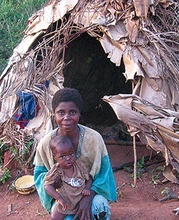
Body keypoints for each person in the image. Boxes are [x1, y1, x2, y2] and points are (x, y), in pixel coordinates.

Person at [34, 87, 117, 220]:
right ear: (54, 115)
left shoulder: (94, 139)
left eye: (72, 112)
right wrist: (60, 191)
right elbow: (40, 177)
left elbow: (104, 174)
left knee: (99, 206)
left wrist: (87, 198)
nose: (66, 117)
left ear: (79, 114)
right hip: (63, 198)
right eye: (61, 112)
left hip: (90, 193)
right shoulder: (45, 144)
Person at [44, 135, 92, 220]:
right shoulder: (56, 171)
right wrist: (59, 198)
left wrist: (87, 188)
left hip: (80, 201)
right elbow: (47, 186)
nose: (68, 158)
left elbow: (89, 178)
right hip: (66, 202)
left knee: (85, 216)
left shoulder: (79, 166)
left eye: (71, 154)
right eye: (62, 156)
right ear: (55, 157)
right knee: (55, 217)